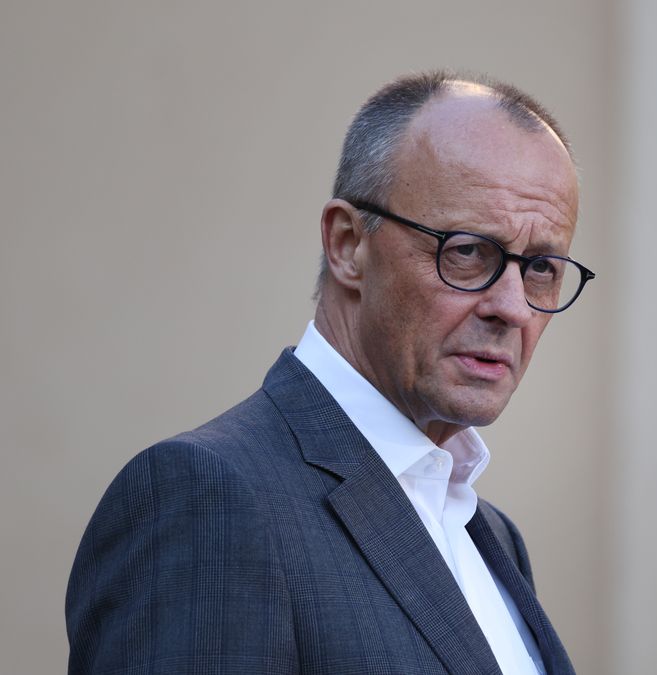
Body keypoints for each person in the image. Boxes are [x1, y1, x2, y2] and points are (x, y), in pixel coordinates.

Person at [65, 71, 593, 675]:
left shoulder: (493, 535)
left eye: (543, 268)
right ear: (347, 244)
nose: (513, 307)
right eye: (468, 251)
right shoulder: (207, 497)